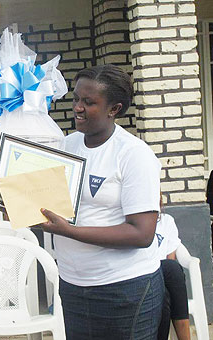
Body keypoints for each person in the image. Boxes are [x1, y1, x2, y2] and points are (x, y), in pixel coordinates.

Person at [39, 64, 164, 339]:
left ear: (114, 109)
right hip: (73, 285)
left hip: (125, 289)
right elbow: (47, 201)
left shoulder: (134, 155)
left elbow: (142, 233)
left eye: (89, 102)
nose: (78, 108)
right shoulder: (66, 146)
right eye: (75, 99)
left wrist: (68, 231)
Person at [155, 207, 190, 340]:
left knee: (170, 272)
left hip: (163, 274)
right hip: (142, 272)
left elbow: (171, 257)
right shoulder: (133, 222)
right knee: (172, 269)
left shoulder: (166, 221)